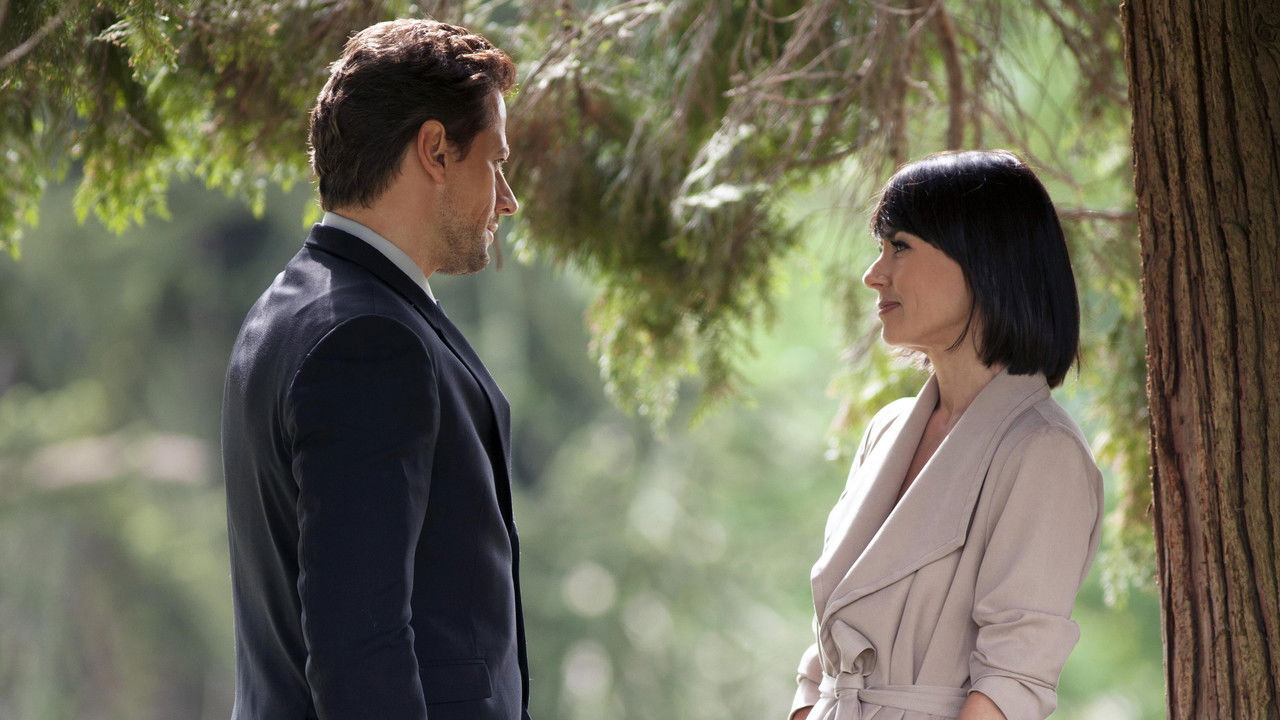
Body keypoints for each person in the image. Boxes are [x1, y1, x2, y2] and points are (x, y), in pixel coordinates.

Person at [221, 19, 530, 720]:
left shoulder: (287, 311)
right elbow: (360, 650)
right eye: (494, 161)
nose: (508, 199)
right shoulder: (369, 340)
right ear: (435, 150)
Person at [790, 150, 1104, 720]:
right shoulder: (888, 429)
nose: (873, 274)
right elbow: (830, 648)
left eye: (900, 246)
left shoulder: (1042, 452)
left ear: (982, 258)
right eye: (880, 247)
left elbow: (1010, 685)